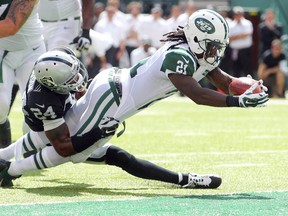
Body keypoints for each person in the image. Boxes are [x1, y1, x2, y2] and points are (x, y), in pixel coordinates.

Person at [0, 9, 269, 189]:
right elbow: (197, 95)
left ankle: (2, 157)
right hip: (114, 100)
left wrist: (246, 89)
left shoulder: (193, 51)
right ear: (198, 40)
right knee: (69, 151)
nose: (215, 51)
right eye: (213, 45)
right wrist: (237, 103)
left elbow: (224, 82)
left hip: (111, 88)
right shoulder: (180, 57)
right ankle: (10, 171)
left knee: (100, 149)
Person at [0, 0, 46, 148]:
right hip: (1, 51)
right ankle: (3, 137)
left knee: (35, 109)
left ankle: (28, 155)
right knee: (0, 105)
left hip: (31, 51)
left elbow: (11, 26)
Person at [229, 6, 254, 78]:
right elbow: (229, 38)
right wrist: (241, 35)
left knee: (248, 71)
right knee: (236, 71)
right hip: (235, 51)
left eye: (239, 14)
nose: (238, 16)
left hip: (246, 51)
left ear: (242, 15)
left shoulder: (247, 23)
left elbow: (247, 34)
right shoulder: (231, 24)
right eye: (236, 14)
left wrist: (235, 37)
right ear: (234, 15)